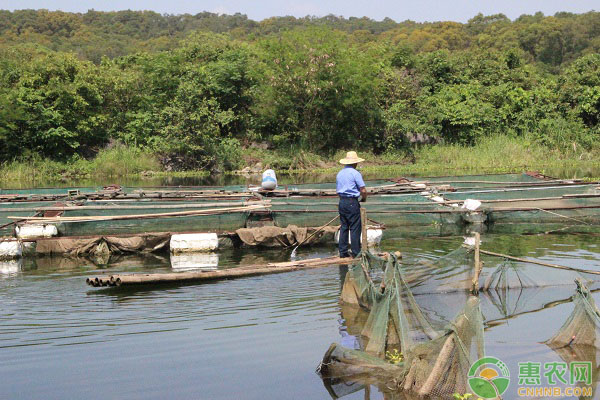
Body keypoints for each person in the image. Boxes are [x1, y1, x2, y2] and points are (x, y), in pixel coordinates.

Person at [336, 151, 367, 258]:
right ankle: (356, 252)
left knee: (344, 226)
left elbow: (339, 190)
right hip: (351, 202)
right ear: (355, 163)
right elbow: (363, 189)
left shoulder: (340, 173)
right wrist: (364, 198)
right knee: (355, 227)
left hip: (342, 201)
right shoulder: (355, 173)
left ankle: (343, 252)